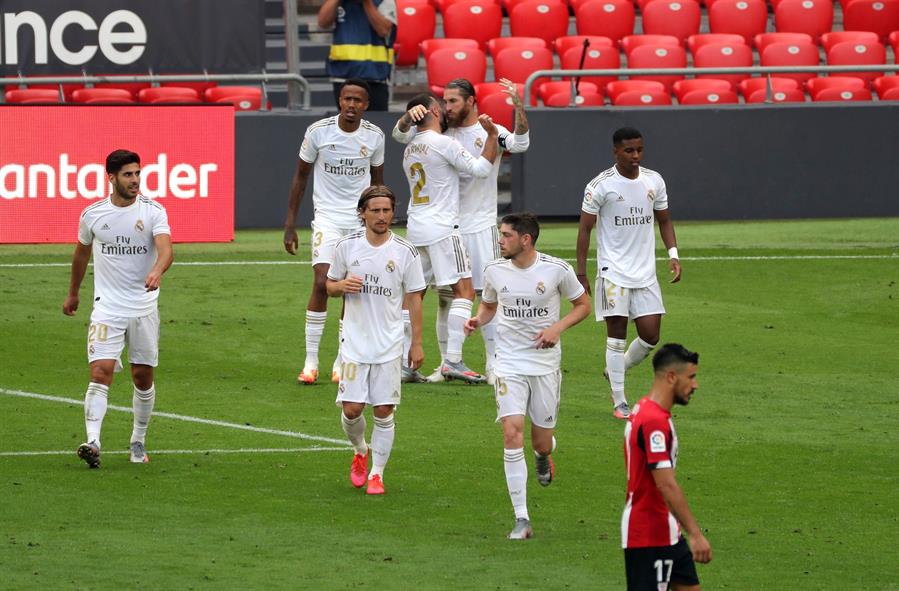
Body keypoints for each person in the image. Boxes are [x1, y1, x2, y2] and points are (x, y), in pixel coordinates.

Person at [393, 78, 530, 385]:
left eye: (453, 101)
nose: (447, 107)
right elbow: (400, 133)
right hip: (447, 226)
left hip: (477, 225)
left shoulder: (486, 129)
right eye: (443, 101)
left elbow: (521, 144)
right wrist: (407, 116)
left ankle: (494, 364)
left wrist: (519, 109)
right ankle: (447, 362)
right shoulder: (443, 134)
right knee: (449, 297)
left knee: (488, 294)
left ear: (471, 101)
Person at [465, 213, 591, 539]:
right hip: (508, 362)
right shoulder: (494, 270)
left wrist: (557, 328)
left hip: (545, 364)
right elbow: (489, 305)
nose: (499, 240)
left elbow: (583, 305)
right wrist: (478, 320)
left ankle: (543, 455)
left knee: (541, 440)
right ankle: (521, 518)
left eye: (506, 235)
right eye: (500, 234)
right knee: (511, 432)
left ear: (525, 239)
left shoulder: (556, 270)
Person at [63, 149, 174, 468]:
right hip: (106, 308)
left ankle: (138, 440)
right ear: (111, 177)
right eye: (128, 174)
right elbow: (81, 255)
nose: (135, 180)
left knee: (142, 377)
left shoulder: (154, 211)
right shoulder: (93, 215)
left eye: (138, 173)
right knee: (101, 372)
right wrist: (73, 293)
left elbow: (166, 250)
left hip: (143, 307)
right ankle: (93, 442)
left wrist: (156, 270)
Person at [283, 79, 386, 385]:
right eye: (347, 99)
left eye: (358, 100)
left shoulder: (375, 137)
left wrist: (377, 221)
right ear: (340, 101)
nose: (352, 105)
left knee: (350, 288)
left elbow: (377, 184)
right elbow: (300, 177)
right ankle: (311, 360)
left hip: (358, 222)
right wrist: (290, 223)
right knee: (321, 282)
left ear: (366, 105)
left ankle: (342, 359)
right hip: (327, 218)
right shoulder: (318, 132)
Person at [575, 127, 682, 419]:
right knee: (616, 336)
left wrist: (673, 254)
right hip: (613, 272)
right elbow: (585, 229)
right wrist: (582, 273)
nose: (635, 156)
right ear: (616, 152)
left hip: (645, 273)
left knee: (650, 336)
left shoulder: (654, 180)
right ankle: (620, 402)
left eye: (639, 150)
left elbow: (664, 220)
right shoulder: (600, 185)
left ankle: (615, 370)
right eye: (629, 151)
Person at [326, 185, 426, 495]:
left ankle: (377, 474)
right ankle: (359, 450)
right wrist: (342, 284)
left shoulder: (405, 252)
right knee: (353, 409)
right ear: (363, 213)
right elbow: (328, 287)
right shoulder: (346, 247)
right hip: (354, 343)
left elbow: (415, 298)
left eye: (387, 210)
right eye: (376, 210)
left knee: (383, 410)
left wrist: (417, 342)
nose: (382, 216)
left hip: (389, 344)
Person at [622, 343, 712, 590]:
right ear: (671, 377)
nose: (695, 385)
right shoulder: (653, 422)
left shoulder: (647, 410)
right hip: (649, 535)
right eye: (691, 377)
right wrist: (695, 534)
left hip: (668, 530)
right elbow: (665, 483)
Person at [318, 0, 396, 111]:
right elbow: (322, 22)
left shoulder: (385, 1)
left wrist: (367, 2)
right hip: (343, 75)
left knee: (376, 123)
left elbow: (383, 29)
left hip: (375, 76)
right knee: (347, 125)